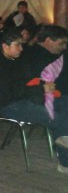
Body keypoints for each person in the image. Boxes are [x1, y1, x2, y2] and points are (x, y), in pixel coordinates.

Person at [24, 25, 68, 173]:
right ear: (48, 40)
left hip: (58, 95)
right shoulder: (31, 55)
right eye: (61, 43)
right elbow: (34, 84)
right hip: (39, 97)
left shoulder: (57, 55)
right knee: (64, 111)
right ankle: (65, 162)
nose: (64, 47)